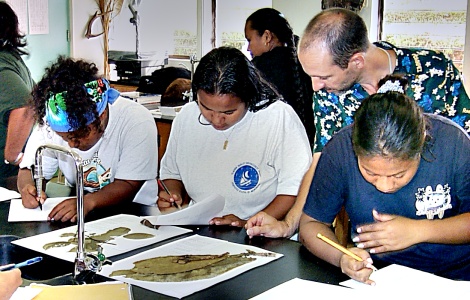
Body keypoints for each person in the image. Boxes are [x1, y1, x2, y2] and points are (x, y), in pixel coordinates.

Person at [245, 7, 470, 239]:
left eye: (323, 76)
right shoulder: (330, 91)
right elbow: (320, 157)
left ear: (357, 61)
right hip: (372, 232)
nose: (315, 86)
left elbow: (463, 145)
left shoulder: (434, 73)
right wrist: (289, 224)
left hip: (441, 228)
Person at [299, 75, 470, 283]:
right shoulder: (340, 150)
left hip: (455, 276)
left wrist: (418, 230)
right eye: (370, 173)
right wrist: (343, 258)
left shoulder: (453, 144)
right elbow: (311, 225)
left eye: (398, 175)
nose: (384, 186)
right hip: (378, 276)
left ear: (422, 144)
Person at [157, 47, 312, 227]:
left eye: (229, 112)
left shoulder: (278, 118)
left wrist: (249, 222)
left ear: (248, 97)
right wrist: (171, 196)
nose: (217, 119)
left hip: (265, 234)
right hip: (202, 229)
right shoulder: (187, 117)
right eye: (206, 108)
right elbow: (172, 173)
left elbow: (295, 189)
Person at [18, 56, 158, 222]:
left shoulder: (136, 120)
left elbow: (128, 184)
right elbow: (29, 170)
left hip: (135, 212)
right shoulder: (51, 120)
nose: (71, 144)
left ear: (101, 115)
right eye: (65, 137)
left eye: (78, 136)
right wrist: (28, 188)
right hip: (85, 210)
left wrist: (87, 202)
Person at [245, 8, 315, 148]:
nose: (248, 48)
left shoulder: (257, 70)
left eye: (249, 39)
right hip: (305, 146)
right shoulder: (305, 63)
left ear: (266, 36)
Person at [0, 2, 35, 179]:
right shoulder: (10, 57)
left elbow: (26, 108)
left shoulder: (2, 64)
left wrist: (11, 156)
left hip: (7, 175)